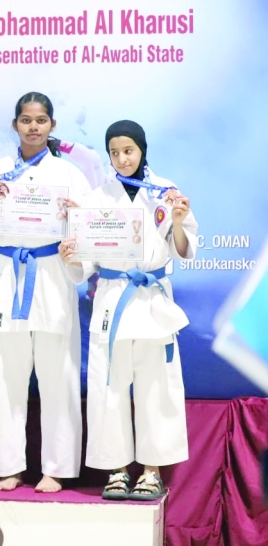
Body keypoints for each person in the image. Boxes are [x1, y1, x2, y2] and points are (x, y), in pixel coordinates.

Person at [59, 120, 196, 501]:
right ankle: (116, 469)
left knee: (157, 388)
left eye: (129, 151)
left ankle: (152, 471)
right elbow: (83, 266)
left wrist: (179, 222)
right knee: (109, 387)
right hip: (112, 300)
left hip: (152, 301)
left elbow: (183, 249)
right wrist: (71, 256)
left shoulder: (165, 192)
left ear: (142, 150)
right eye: (115, 153)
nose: (122, 159)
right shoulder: (96, 198)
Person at [0, 92, 90, 493]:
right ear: (15, 124)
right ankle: (8, 467)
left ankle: (57, 468)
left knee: (59, 379)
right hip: (8, 280)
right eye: (26, 120)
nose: (33, 127)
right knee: (5, 380)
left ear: (52, 125)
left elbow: (87, 236)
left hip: (52, 279)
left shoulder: (69, 174)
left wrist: (75, 220)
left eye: (41, 120)